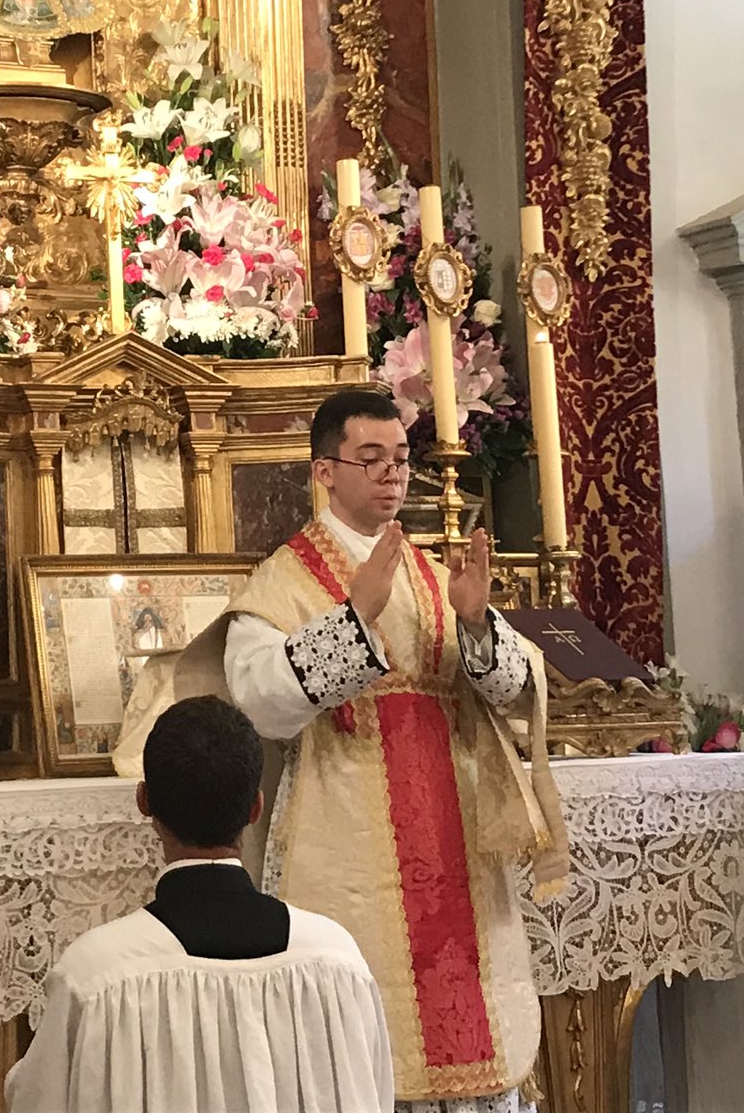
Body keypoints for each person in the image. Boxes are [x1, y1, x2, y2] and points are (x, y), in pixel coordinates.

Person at [116, 387, 568, 1112]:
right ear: (325, 471)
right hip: (345, 830)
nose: (393, 475)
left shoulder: (430, 574)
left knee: (468, 1026)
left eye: (400, 459)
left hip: (452, 842)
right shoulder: (284, 578)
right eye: (371, 459)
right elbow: (259, 699)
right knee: (354, 1042)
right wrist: (354, 617)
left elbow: (515, 693)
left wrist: (479, 623)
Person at [5, 695, 395, 1113]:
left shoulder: (97, 973)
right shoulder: (336, 959)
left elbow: (35, 1099)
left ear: (144, 802)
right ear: (255, 807)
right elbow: (375, 1093)